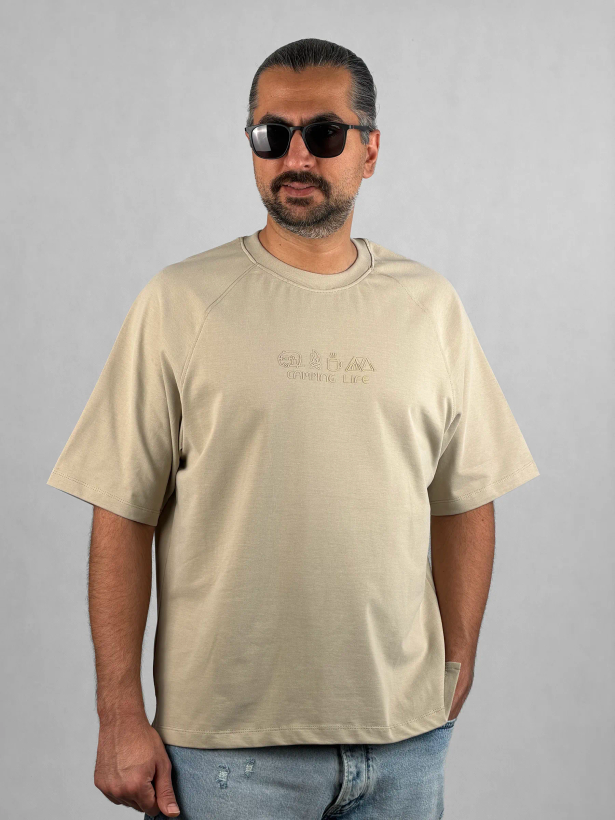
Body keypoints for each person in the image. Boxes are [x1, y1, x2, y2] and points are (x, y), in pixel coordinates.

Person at [46, 37, 540, 820]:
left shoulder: (429, 306)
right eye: (271, 134)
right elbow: (122, 511)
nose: (295, 156)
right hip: (227, 753)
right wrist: (118, 713)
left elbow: (465, 495)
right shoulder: (181, 302)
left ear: (369, 150)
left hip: (404, 744)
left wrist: (455, 658)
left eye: (324, 133)